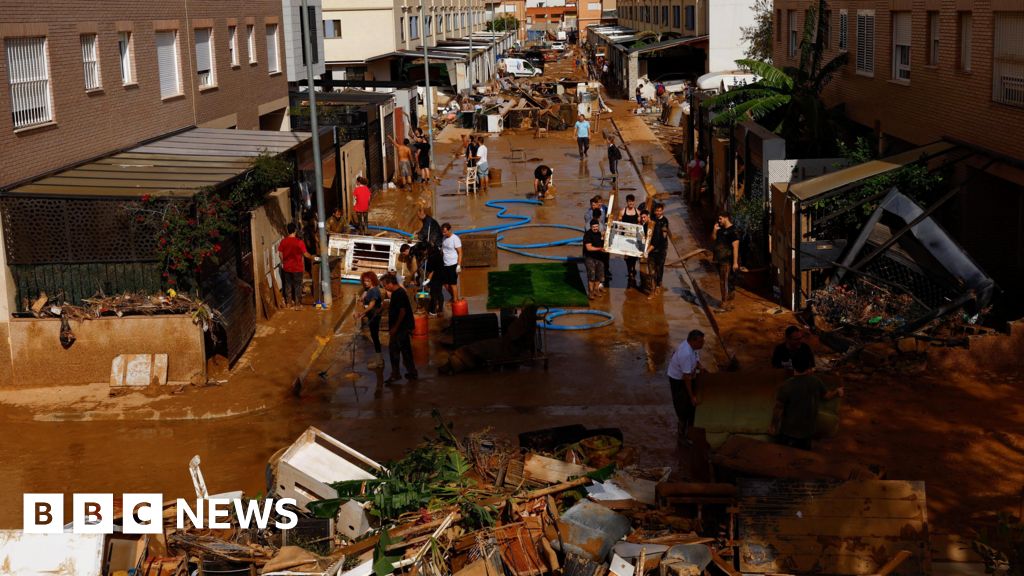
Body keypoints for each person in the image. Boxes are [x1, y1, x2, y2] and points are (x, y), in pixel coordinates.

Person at [770, 354, 843, 450]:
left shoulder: (786, 385)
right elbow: (827, 396)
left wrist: (773, 426)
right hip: (807, 432)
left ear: (794, 366)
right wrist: (837, 391)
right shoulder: (815, 381)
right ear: (809, 367)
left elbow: (778, 408)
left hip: (787, 431)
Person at [667, 330, 705, 438]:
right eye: (701, 342)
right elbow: (686, 378)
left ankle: (690, 425)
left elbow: (696, 360)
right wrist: (692, 396)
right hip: (677, 380)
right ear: (693, 341)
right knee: (682, 405)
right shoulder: (686, 354)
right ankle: (682, 432)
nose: (703, 344)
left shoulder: (693, 348)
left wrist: (700, 366)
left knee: (690, 406)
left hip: (687, 374)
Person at [381, 273, 417, 383]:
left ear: (390, 284)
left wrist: (395, 328)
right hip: (402, 327)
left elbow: (402, 311)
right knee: (404, 351)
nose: (384, 288)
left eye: (384, 285)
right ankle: (411, 372)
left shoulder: (399, 294)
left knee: (395, 351)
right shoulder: (397, 293)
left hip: (401, 328)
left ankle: (397, 374)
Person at [277, 223, 319, 310]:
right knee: (298, 286)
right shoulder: (299, 242)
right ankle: (298, 304)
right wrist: (313, 257)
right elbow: (306, 254)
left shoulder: (283, 241)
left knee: (288, 285)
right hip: (297, 268)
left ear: (288, 231)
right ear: (295, 230)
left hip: (287, 267)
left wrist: (284, 262)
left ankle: (288, 303)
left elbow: (280, 254)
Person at [353, 272, 384, 370]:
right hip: (371, 315)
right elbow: (366, 305)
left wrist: (361, 314)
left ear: (373, 281)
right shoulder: (369, 290)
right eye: (364, 281)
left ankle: (379, 362)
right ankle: (379, 359)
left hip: (375, 316)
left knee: (375, 337)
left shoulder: (374, 291)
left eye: (368, 281)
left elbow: (371, 306)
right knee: (374, 337)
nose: (366, 283)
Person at [711, 210, 740, 309]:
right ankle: (728, 301)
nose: (719, 221)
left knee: (724, 281)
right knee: (725, 281)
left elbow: (736, 246)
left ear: (726, 218)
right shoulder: (720, 229)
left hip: (727, 260)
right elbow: (713, 238)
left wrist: (735, 262)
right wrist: (714, 230)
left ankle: (725, 302)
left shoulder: (733, 231)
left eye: (720, 218)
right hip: (719, 259)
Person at [645, 203, 670, 297]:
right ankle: (652, 289)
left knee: (659, 268)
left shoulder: (665, 221)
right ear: (654, 211)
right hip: (651, 249)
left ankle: (658, 285)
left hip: (661, 249)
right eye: (656, 211)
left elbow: (663, 237)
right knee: (651, 271)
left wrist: (654, 244)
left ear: (662, 210)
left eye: (660, 211)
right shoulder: (651, 219)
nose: (658, 212)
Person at [620, 194, 641, 289]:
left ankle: (632, 269)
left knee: (634, 256)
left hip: (635, 238)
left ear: (634, 202)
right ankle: (630, 271)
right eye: (629, 201)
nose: (631, 203)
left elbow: (640, 224)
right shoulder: (622, 211)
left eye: (632, 201)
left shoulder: (638, 212)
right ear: (627, 202)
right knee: (627, 257)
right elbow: (618, 224)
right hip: (625, 239)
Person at [582, 219, 606, 300]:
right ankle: (591, 292)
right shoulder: (587, 235)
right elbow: (588, 248)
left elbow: (604, 243)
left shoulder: (600, 234)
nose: (595, 228)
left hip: (599, 257)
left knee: (599, 275)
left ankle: (596, 290)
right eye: (594, 227)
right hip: (589, 257)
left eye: (596, 226)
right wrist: (600, 249)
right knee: (591, 275)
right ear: (591, 227)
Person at [441, 223, 463, 303]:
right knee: (445, 284)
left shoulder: (455, 239)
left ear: (449, 230)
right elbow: (443, 251)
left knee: (453, 283)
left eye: (445, 232)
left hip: (453, 264)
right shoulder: (444, 238)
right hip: (445, 264)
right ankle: (454, 296)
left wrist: (459, 265)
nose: (443, 233)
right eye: (442, 232)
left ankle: (455, 300)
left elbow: (460, 252)